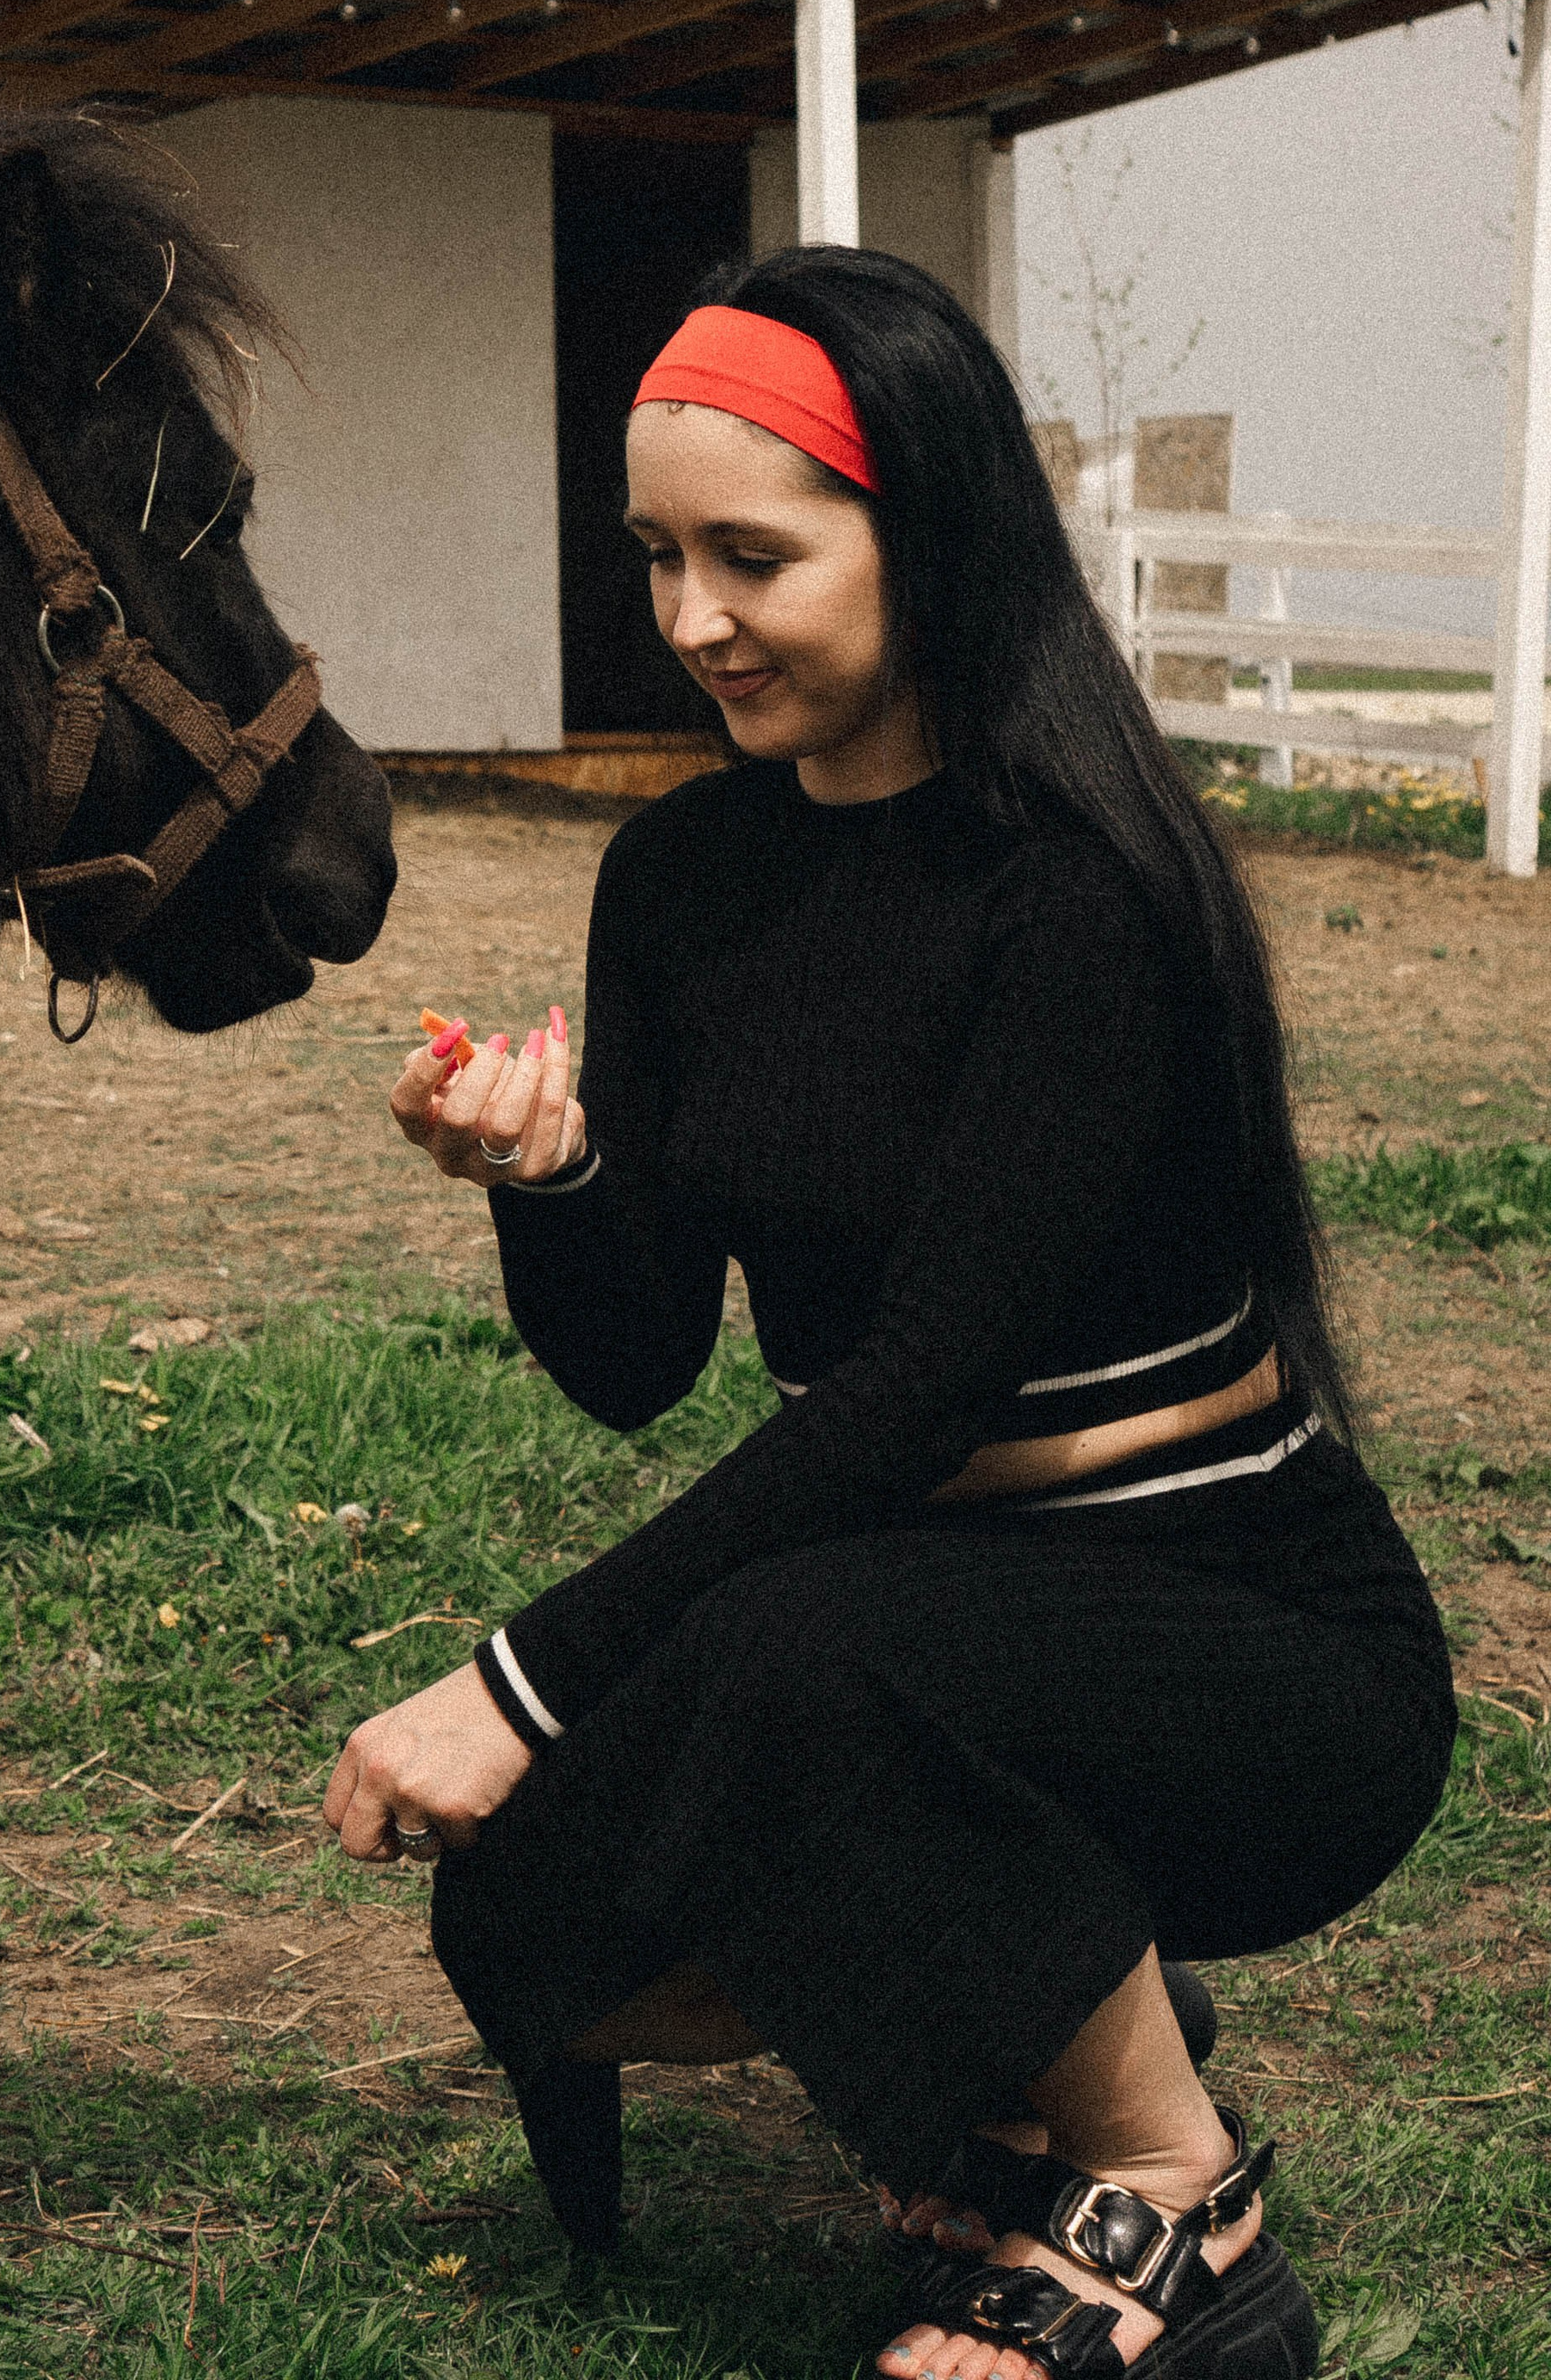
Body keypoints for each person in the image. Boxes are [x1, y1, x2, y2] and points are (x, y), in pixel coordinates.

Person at [323, 247, 1454, 2380]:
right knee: (530, 1915)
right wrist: (551, 1180)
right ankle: (1029, 2006)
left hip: (1242, 1637)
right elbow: (640, 1363)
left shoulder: (1078, 887)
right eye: (654, 554)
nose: (686, 621)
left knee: (794, 1647)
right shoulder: (679, 880)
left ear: (920, 528)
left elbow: (915, 1386)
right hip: (917, 1613)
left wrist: (514, 1679)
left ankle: (1173, 2214)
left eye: (751, 555)